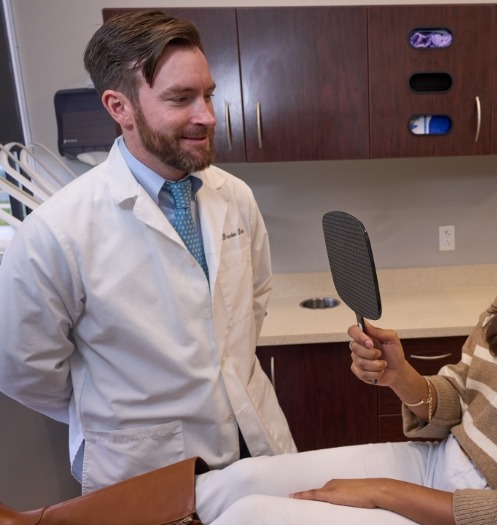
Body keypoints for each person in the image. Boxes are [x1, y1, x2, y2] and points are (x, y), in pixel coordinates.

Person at [1, 129, 497, 525]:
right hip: (435, 462)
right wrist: (407, 379)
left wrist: (380, 491)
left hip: (482, 510)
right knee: (227, 485)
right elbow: (459, 396)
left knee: (249, 519)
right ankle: (42, 523)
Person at [0, 9, 295, 495]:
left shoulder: (235, 197)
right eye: (181, 99)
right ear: (120, 107)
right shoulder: (59, 231)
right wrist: (118, 409)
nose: (207, 116)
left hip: (254, 444)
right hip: (146, 468)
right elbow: (23, 369)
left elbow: (254, 300)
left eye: (207, 95)